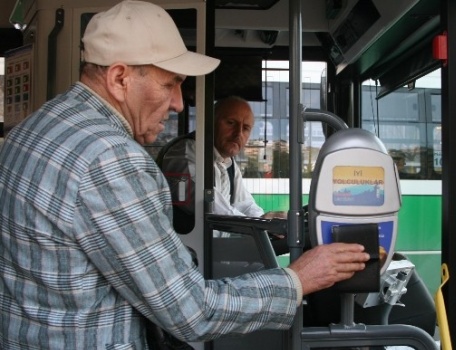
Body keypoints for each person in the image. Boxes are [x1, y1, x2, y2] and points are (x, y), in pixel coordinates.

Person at [0, 1, 370, 349]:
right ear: (119, 79)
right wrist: (299, 279)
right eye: (169, 83)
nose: (179, 102)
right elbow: (191, 310)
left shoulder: (33, 128)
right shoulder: (111, 159)